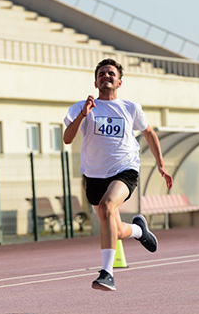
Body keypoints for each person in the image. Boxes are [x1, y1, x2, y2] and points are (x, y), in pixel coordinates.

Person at [63, 58, 173, 291]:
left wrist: (161, 164)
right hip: (94, 174)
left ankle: (107, 273)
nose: (106, 76)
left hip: (125, 169)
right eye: (101, 73)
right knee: (115, 227)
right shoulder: (81, 108)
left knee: (106, 207)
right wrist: (83, 114)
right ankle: (138, 230)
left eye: (110, 73)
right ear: (95, 81)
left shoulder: (130, 108)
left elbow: (149, 132)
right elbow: (67, 138)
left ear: (119, 82)